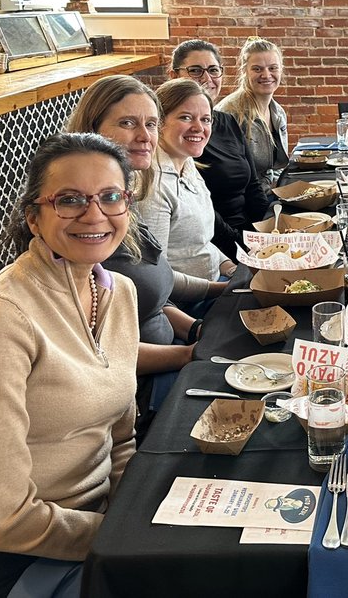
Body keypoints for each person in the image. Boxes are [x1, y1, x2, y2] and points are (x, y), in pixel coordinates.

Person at [0, 132, 141, 598]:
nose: (94, 214)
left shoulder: (120, 292)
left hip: (94, 527)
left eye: (110, 196)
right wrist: (127, 538)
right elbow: (7, 521)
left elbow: (120, 439)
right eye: (69, 200)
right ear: (33, 218)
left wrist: (130, 515)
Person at [66, 75, 215, 433]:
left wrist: (198, 326)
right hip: (138, 396)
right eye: (127, 123)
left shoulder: (124, 196)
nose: (145, 135)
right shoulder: (86, 224)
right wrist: (191, 355)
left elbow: (155, 289)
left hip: (169, 356)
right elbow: (96, 350)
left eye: (150, 123)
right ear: (92, 130)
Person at [168, 39, 271, 255]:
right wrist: (246, 248)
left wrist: (269, 230)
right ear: (173, 76)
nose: (207, 78)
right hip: (215, 247)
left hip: (248, 236)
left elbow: (253, 185)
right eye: (195, 70)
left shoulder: (228, 121)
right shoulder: (178, 134)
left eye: (213, 70)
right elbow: (204, 214)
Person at [134, 79, 232, 287]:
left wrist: (231, 268)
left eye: (206, 120)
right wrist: (222, 290)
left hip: (216, 282)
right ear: (159, 122)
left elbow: (200, 244)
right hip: (190, 302)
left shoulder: (187, 164)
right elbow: (156, 275)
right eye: (186, 118)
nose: (199, 128)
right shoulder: (153, 186)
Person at [216, 37, 289, 188]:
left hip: (270, 192)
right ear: (244, 71)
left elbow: (278, 166)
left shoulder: (278, 113)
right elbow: (226, 176)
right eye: (257, 69)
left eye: (273, 68)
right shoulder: (229, 114)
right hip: (244, 201)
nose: (266, 75)